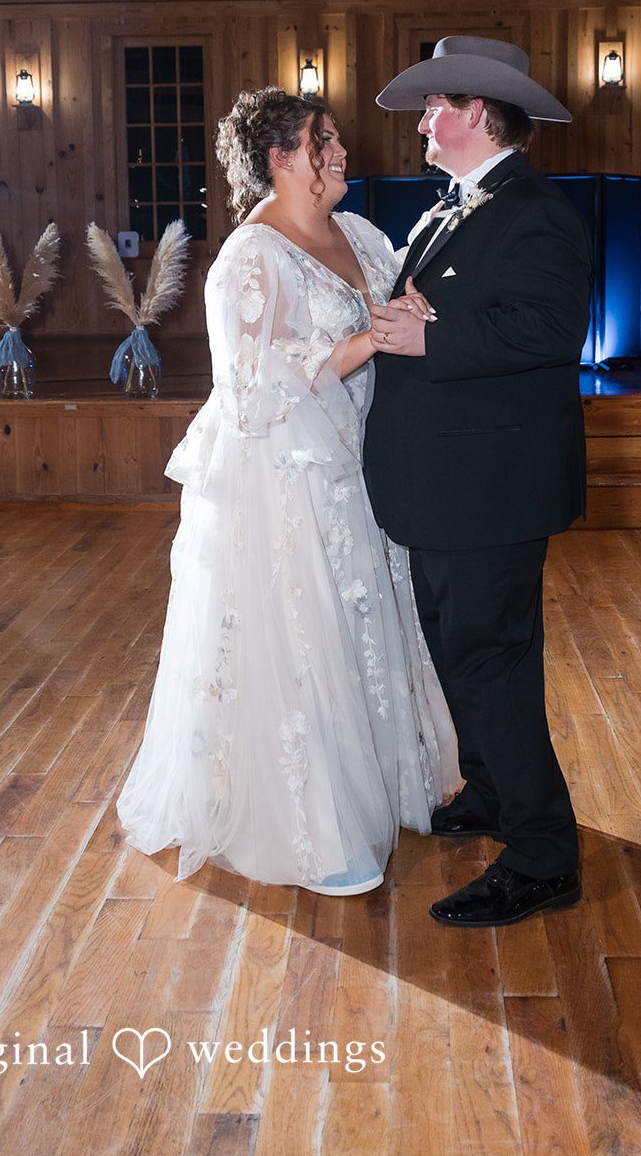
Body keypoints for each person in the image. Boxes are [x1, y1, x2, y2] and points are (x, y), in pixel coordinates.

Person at [117, 88, 459, 895]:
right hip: (285, 478)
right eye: (321, 141)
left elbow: (401, 313)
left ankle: (386, 787)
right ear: (277, 158)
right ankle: (311, 830)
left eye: (333, 140)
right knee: (305, 640)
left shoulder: (361, 234)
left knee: (364, 626)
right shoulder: (250, 256)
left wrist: (413, 312)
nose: (338, 153)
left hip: (360, 463)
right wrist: (363, 342)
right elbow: (249, 390)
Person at [362, 36, 593, 928]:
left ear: (474, 114)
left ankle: (542, 857)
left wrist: (432, 335)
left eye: (432, 107)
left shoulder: (534, 209)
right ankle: (491, 793)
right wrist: (417, 318)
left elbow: (552, 330)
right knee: (460, 651)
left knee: (491, 665)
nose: (421, 122)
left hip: (488, 489)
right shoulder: (449, 209)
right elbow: (470, 310)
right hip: (445, 483)